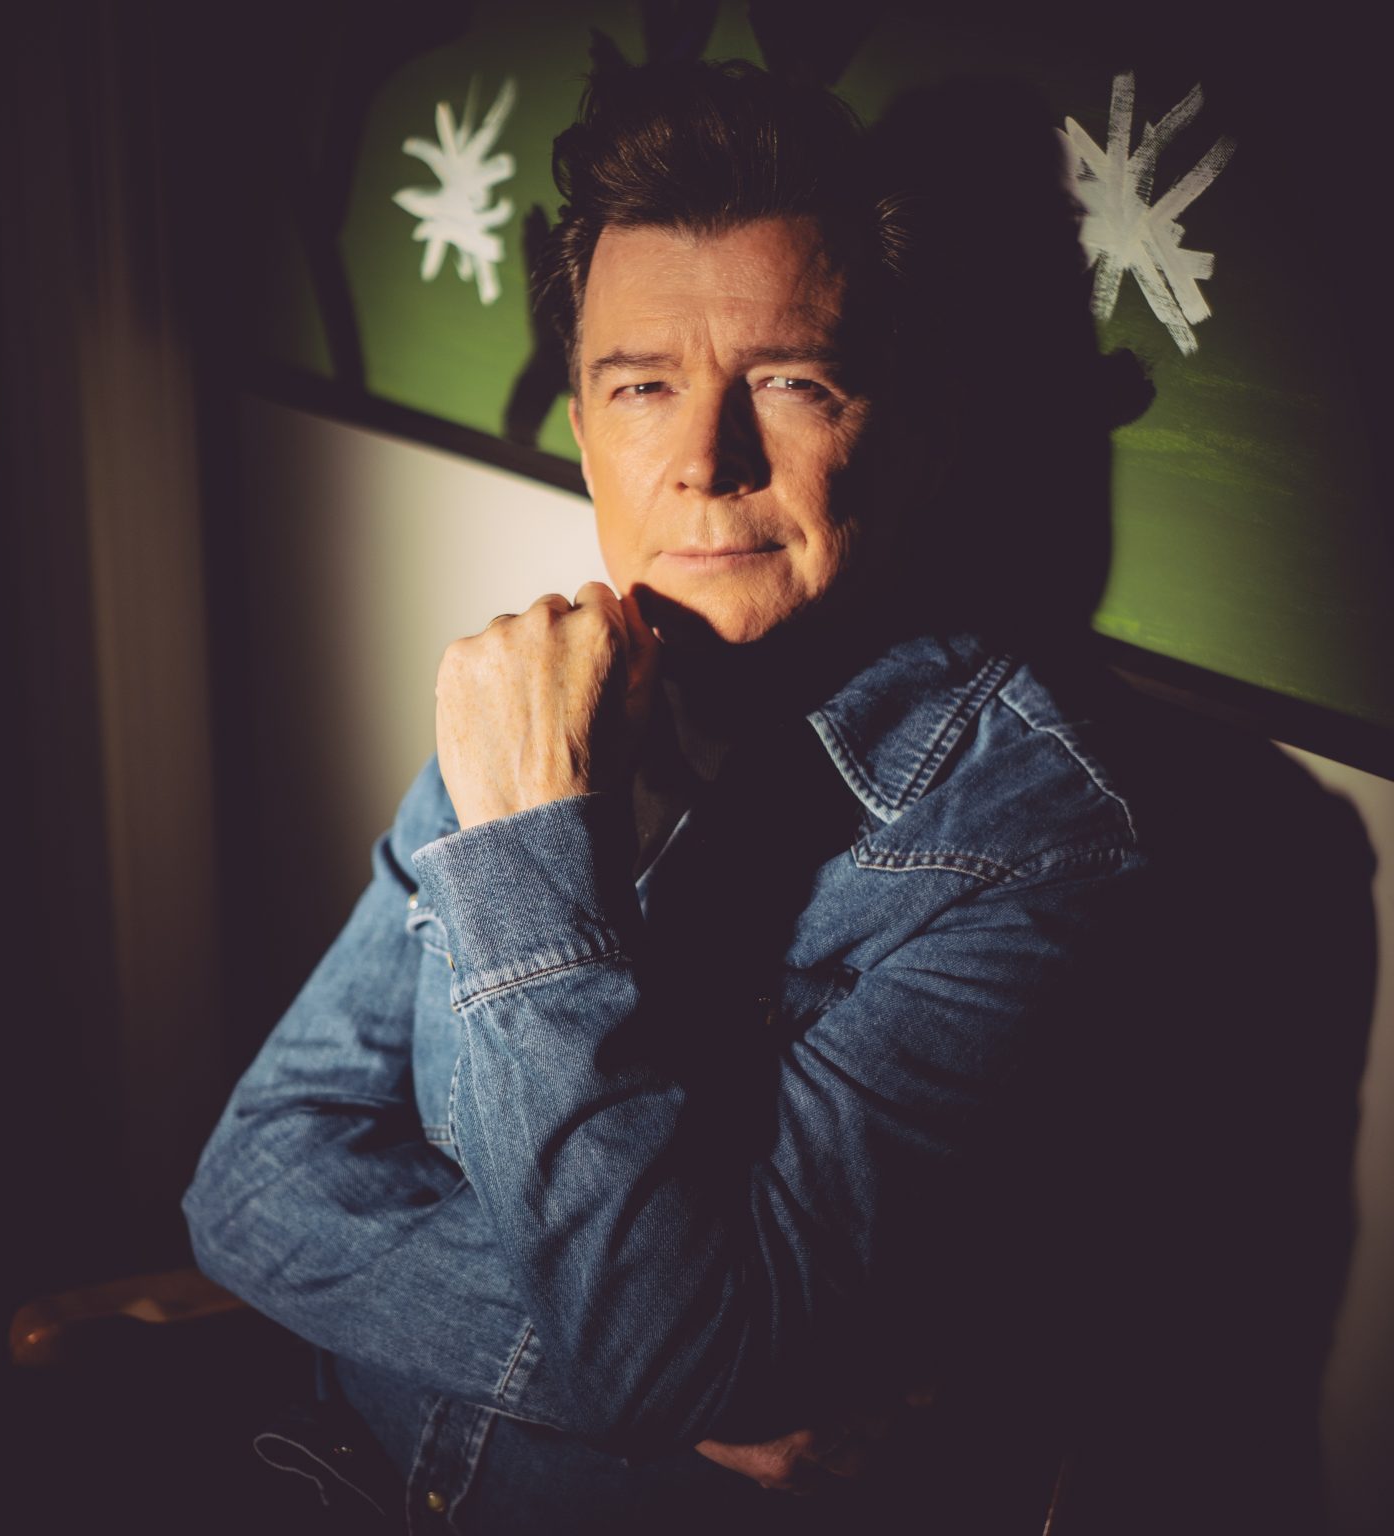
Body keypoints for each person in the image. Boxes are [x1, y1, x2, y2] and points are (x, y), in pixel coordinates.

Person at [185, 57, 1368, 1536]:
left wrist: (527, 857)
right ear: (584, 432)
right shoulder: (534, 706)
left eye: (791, 384)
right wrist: (683, 1379)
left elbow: (666, 1354)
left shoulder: (1034, 842)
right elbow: (249, 1182)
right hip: (331, 1475)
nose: (705, 462)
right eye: (643, 388)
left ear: (920, 432)